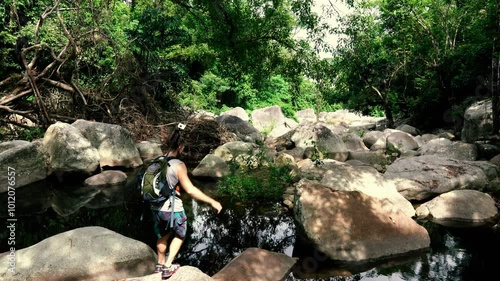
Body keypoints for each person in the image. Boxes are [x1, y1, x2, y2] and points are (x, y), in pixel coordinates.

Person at [150, 123, 223, 279]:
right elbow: (190, 190)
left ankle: (159, 264)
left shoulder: (156, 161)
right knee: (180, 233)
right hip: (172, 208)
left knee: (162, 235)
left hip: (156, 207)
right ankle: (168, 267)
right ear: (181, 147)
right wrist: (212, 201)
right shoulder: (178, 165)